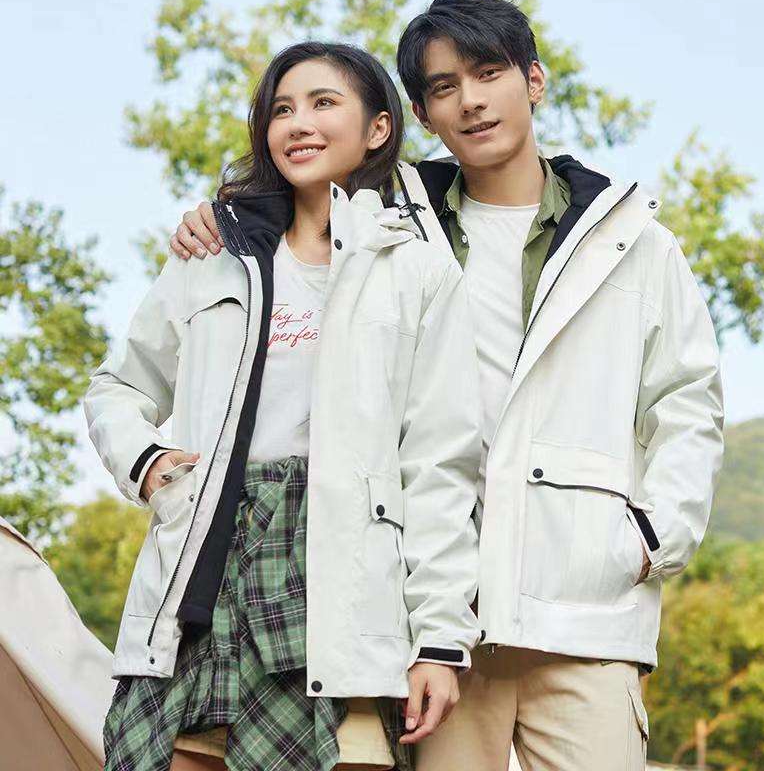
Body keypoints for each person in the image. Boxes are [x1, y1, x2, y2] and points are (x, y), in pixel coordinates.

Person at [173, 0, 725, 771]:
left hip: (587, 614)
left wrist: (647, 538)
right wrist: (221, 216)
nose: (470, 100)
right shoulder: (385, 226)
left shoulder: (633, 240)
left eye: (488, 73)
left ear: (533, 80)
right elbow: (288, 211)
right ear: (421, 116)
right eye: (442, 87)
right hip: (437, 627)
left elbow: (688, 402)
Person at [84, 40, 483, 771]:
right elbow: (119, 386)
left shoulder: (417, 270)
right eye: (281, 109)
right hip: (203, 561)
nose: (298, 123)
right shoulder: (213, 253)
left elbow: (439, 466)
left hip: (332, 573)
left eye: (324, 103)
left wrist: (439, 640)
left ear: (378, 129)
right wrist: (147, 464)